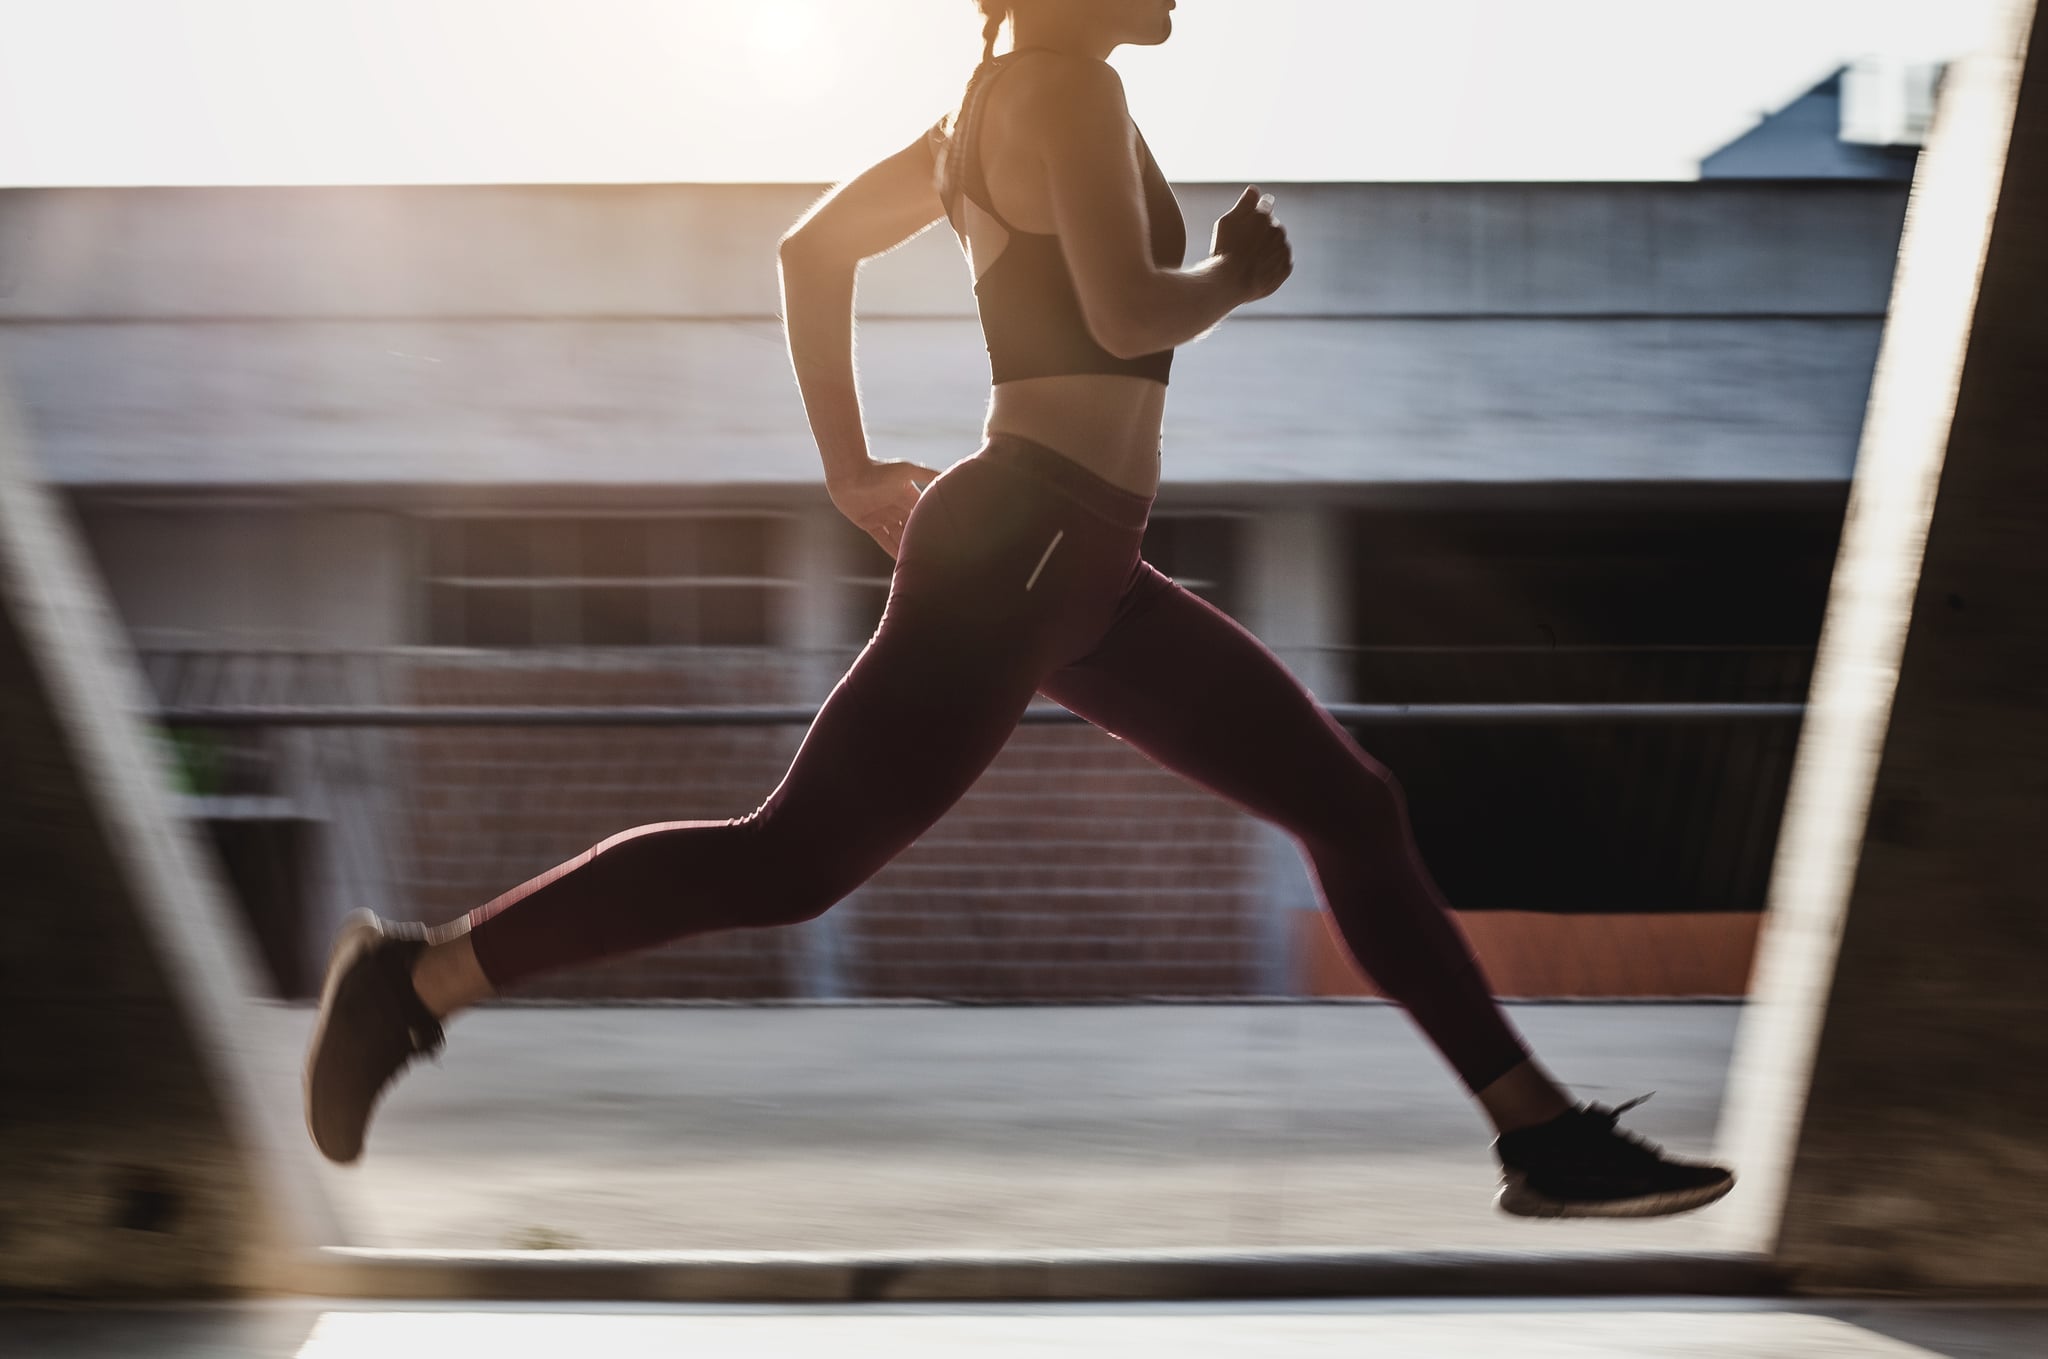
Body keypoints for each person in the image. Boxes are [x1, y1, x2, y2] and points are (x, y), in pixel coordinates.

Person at [305, 0, 1734, 1221]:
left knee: (1350, 807)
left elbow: (810, 251)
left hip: (1078, 558)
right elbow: (1122, 315)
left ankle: (1539, 1135)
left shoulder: (984, 108)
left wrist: (856, 470)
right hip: (1028, 546)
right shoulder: (1068, 86)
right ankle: (415, 980)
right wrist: (1235, 277)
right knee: (788, 863)